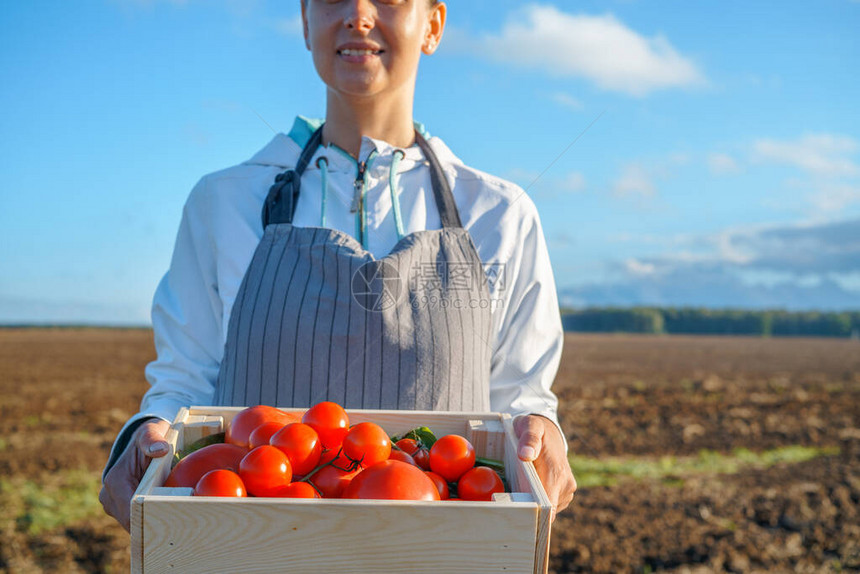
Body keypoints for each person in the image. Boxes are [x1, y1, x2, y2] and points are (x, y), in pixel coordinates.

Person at [100, 0, 576, 530]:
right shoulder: (224, 201)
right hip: (247, 546)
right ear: (306, 21)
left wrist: (541, 430)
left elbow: (519, 398)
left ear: (433, 24)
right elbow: (184, 381)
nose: (358, 15)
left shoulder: (499, 214)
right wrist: (148, 433)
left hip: (437, 548)